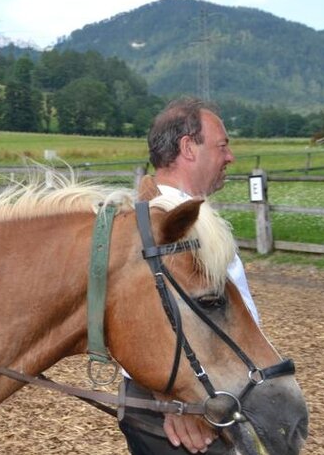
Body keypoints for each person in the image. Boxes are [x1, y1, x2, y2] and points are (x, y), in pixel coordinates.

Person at [119, 97, 261, 455]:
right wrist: (173, 399)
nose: (230, 157)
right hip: (189, 408)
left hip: (210, 394)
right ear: (188, 148)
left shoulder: (177, 217)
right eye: (222, 145)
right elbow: (119, 312)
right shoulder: (157, 226)